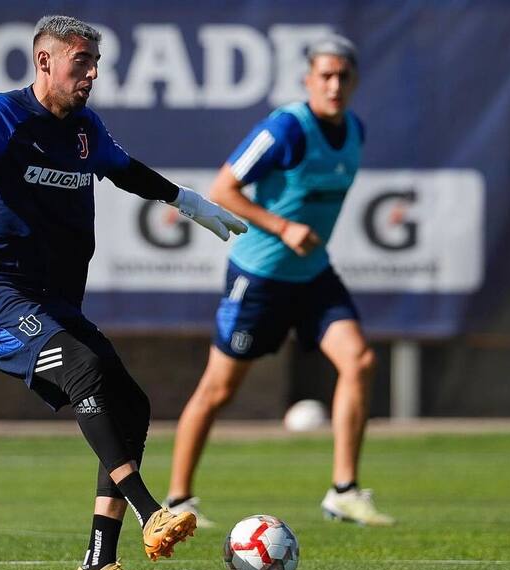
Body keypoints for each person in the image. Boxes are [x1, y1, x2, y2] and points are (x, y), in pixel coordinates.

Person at [0, 15, 246, 570]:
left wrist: (187, 200)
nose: (93, 73)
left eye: (97, 64)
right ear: (45, 61)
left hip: (51, 301)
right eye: (82, 62)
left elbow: (125, 172)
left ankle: (99, 564)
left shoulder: (86, 129)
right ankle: (154, 513)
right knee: (85, 370)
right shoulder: (1, 115)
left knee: (132, 406)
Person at [164, 35, 395, 528]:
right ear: (309, 79)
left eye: (343, 76)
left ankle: (344, 491)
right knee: (220, 389)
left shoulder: (355, 129)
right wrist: (284, 226)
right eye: (325, 75)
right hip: (259, 276)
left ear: (354, 82)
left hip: (312, 276)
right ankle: (178, 501)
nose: (334, 85)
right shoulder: (286, 129)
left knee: (360, 360)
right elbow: (223, 189)